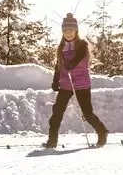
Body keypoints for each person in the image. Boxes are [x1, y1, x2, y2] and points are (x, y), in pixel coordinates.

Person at [44, 13, 109, 149]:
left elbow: (79, 58)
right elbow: (59, 66)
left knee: (87, 113)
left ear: (76, 31)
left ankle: (102, 131)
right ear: (62, 32)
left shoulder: (82, 45)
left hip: (81, 83)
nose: (68, 33)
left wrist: (72, 64)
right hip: (66, 84)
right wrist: (56, 81)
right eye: (66, 30)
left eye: (71, 30)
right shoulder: (61, 48)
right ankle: (52, 141)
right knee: (57, 112)